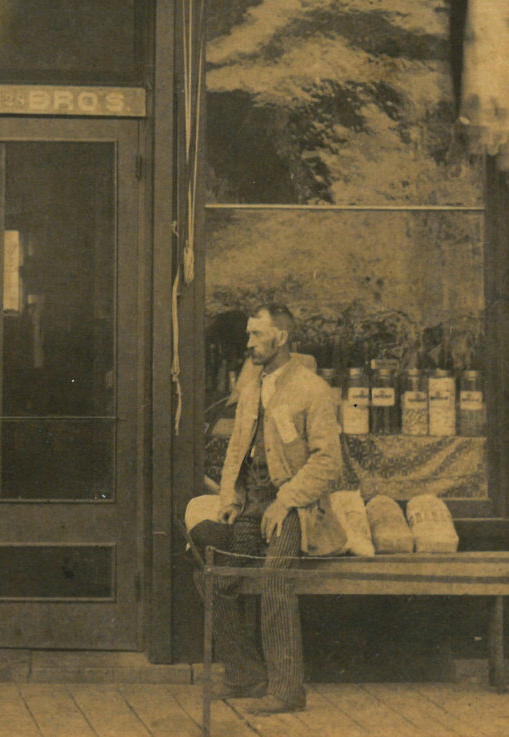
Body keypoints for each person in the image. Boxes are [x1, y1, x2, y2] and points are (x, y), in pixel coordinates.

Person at [188, 303, 345, 716]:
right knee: (212, 575)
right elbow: (237, 448)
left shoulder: (312, 389)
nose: (249, 342)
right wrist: (230, 501)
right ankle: (245, 674)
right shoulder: (252, 385)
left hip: (295, 509)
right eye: (248, 335)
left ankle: (287, 688)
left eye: (257, 335)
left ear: (282, 337)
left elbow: (329, 462)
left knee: (275, 575)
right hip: (253, 506)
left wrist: (285, 501)